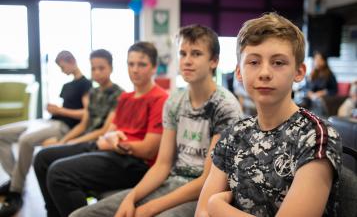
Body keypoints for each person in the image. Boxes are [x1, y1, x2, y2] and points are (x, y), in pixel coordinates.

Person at [70, 24, 244, 217]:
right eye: (182, 53)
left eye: (196, 54)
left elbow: (207, 179)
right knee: (80, 215)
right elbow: (162, 164)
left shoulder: (225, 106)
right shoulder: (174, 101)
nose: (187, 61)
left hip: (200, 194)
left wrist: (152, 207)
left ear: (213, 61)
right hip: (170, 183)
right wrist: (132, 197)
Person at [195, 13, 341, 217]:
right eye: (253, 62)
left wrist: (217, 207)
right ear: (239, 72)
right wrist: (209, 206)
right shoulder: (234, 134)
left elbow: (209, 208)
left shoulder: (316, 137)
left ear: (299, 72)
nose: (264, 73)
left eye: (278, 63)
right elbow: (200, 213)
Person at [33, 42, 168, 217]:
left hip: (134, 163)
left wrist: (115, 143)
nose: (135, 70)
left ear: (154, 68)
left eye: (142, 64)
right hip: (111, 151)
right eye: (131, 64)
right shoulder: (126, 98)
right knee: (42, 158)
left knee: (58, 173)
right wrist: (111, 140)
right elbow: (108, 133)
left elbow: (148, 150)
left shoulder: (161, 98)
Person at [29, 48, 122, 217]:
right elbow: (83, 124)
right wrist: (63, 141)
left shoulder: (118, 94)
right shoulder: (93, 92)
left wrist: (74, 143)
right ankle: (53, 211)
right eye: (93, 68)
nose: (97, 72)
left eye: (102, 68)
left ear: (111, 68)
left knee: (52, 164)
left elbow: (103, 130)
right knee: (41, 157)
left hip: (97, 142)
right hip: (85, 138)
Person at [0, 50, 92, 216]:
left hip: (63, 125)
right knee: (2, 134)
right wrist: (54, 109)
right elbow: (64, 108)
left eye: (62, 66)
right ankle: (16, 180)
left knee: (26, 141)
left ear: (71, 61)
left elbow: (86, 113)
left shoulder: (85, 84)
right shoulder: (67, 85)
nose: (62, 70)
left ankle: (15, 191)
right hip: (48, 120)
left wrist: (61, 110)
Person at [300, 51, 337, 116]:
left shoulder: (330, 75)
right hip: (310, 98)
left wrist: (323, 92)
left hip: (322, 100)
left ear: (324, 61)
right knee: (299, 100)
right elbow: (305, 87)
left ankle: (316, 121)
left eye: (319, 59)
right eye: (315, 59)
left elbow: (334, 90)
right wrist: (308, 92)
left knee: (317, 101)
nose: (317, 62)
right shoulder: (312, 74)